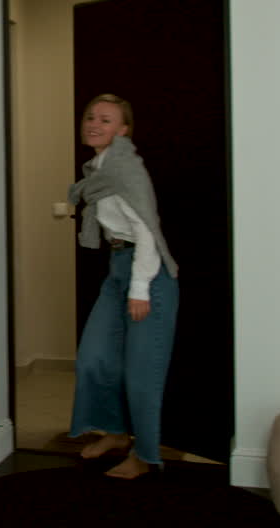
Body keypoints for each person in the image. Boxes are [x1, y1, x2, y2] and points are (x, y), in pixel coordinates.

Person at [67, 94, 179, 479]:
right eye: (91, 117)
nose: (94, 124)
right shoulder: (99, 169)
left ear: (123, 130)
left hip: (147, 275)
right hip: (118, 268)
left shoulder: (126, 170)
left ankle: (145, 455)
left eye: (106, 120)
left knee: (141, 373)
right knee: (95, 359)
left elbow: (147, 231)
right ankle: (116, 433)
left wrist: (140, 289)